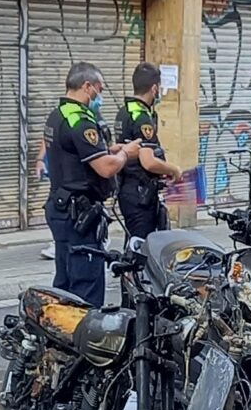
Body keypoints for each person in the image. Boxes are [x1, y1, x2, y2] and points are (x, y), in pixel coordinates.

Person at [42, 62, 135, 305]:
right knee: (86, 286)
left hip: (62, 208)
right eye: (100, 89)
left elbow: (72, 153)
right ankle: (84, 341)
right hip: (78, 215)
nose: (100, 96)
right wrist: (126, 154)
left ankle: (59, 338)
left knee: (65, 282)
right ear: (87, 87)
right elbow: (105, 168)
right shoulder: (81, 120)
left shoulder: (58, 114)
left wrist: (112, 149)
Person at [115, 63, 173, 242]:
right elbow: (148, 161)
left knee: (133, 243)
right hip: (140, 194)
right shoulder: (141, 117)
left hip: (127, 189)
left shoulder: (124, 111)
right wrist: (173, 170)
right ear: (154, 88)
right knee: (141, 247)